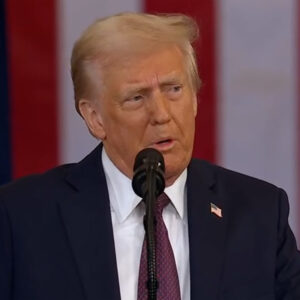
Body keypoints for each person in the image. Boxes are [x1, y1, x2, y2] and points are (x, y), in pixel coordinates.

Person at [0, 12, 300, 300]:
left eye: (174, 89)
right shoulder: (20, 218)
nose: (162, 114)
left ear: (194, 99)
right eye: (136, 97)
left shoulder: (259, 213)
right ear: (94, 118)